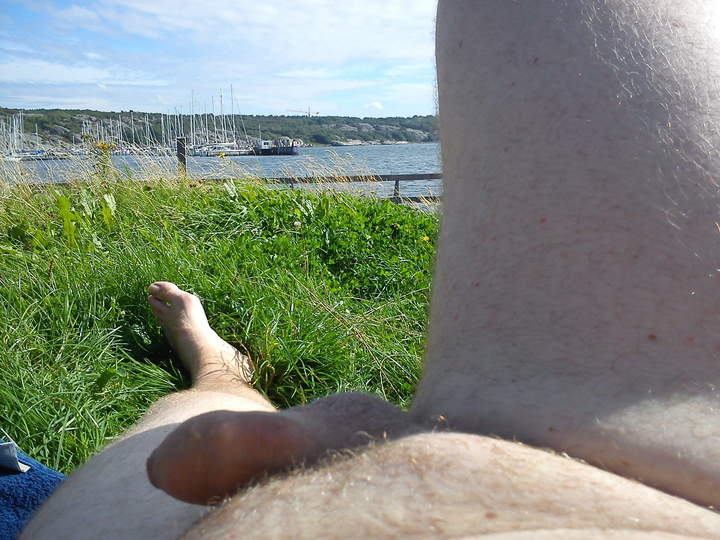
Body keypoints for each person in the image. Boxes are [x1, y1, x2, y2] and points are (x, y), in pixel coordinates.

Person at [21, 1, 720, 538]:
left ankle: (217, 367)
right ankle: (219, 367)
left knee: (202, 406)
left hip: (599, 452)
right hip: (659, 460)